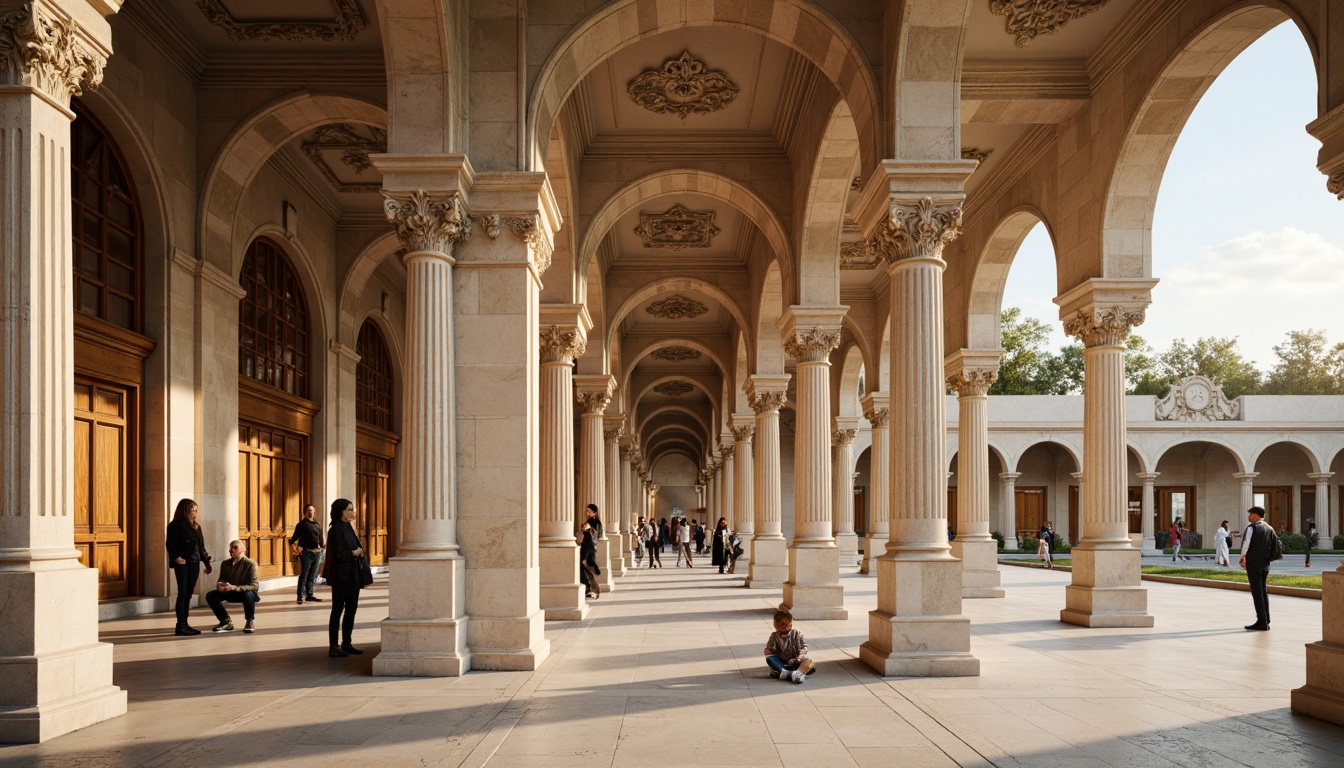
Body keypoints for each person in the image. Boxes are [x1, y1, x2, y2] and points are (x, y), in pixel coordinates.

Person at [324, 498, 366, 656]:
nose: (352, 512)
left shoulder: (349, 527)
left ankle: (347, 643)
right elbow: (339, 555)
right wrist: (354, 552)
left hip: (352, 575)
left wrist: (359, 551)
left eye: (352, 509)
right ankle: (333, 646)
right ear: (340, 512)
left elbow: (358, 546)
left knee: (351, 610)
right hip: (341, 576)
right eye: (349, 509)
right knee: (337, 610)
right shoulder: (334, 530)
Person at [165, 498, 212, 636]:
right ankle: (180, 625)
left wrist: (206, 563)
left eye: (196, 510)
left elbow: (201, 547)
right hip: (183, 564)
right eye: (192, 510)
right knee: (183, 594)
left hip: (194, 563)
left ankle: (185, 623)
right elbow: (170, 544)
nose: (195, 513)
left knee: (189, 594)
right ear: (185, 509)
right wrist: (176, 558)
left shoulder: (196, 526)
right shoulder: (175, 525)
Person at [205, 540, 259, 634]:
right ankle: (225, 620)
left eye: (235, 547)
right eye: (230, 548)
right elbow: (222, 579)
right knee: (210, 595)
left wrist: (235, 587)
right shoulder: (225, 564)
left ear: (243, 550)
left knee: (248, 594)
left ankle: (249, 621)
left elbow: (254, 586)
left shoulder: (250, 564)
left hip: (245, 593)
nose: (231, 550)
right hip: (230, 592)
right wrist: (220, 585)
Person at [1239, 506, 1273, 631]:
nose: (1249, 517)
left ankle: (1262, 622)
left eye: (1250, 514)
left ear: (1256, 515)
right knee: (1263, 591)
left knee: (1257, 593)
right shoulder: (1269, 528)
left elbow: (1246, 543)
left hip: (1254, 563)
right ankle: (1266, 619)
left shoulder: (1252, 528)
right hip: (1265, 563)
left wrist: (1243, 557)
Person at [763, 608, 814, 684]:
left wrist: (798, 658)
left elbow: (803, 647)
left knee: (809, 663)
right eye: (781, 628)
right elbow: (770, 649)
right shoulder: (774, 635)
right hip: (781, 662)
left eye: (790, 625)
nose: (789, 627)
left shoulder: (797, 633)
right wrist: (768, 651)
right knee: (770, 659)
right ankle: (795, 674)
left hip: (795, 661)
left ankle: (788, 673)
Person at [289, 503, 324, 604]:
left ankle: (310, 595)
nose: (311, 513)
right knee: (304, 575)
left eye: (312, 511)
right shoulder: (302, 524)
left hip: (317, 553)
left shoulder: (317, 524)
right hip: (306, 553)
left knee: (312, 576)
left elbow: (320, 537)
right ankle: (300, 596)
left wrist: (321, 547)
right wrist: (295, 548)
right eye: (309, 511)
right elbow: (294, 538)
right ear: (304, 512)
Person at [579, 506, 601, 599]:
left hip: (589, 547)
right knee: (584, 567)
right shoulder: (590, 521)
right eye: (586, 510)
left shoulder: (595, 522)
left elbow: (596, 534)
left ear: (594, 512)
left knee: (587, 567)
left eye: (589, 511)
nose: (587, 512)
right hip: (587, 546)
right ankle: (588, 589)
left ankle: (592, 590)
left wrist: (587, 528)